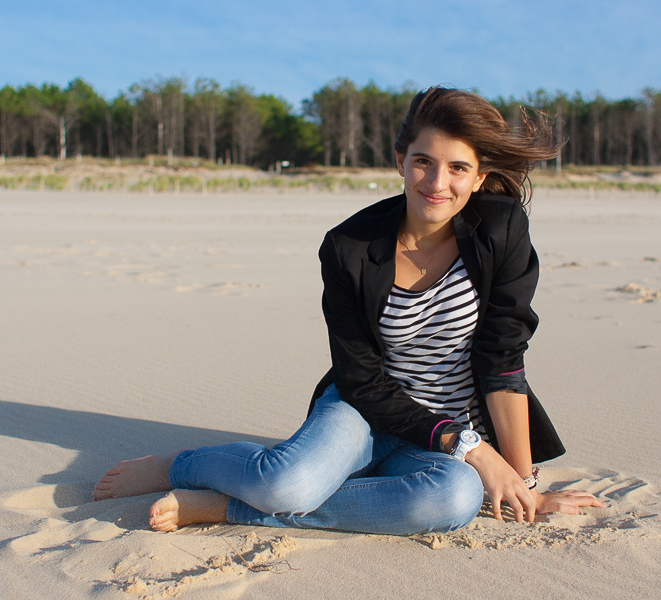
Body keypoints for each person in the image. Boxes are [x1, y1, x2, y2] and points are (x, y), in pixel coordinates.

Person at [93, 86, 603, 535]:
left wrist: (524, 484)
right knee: (287, 485)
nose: (436, 182)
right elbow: (360, 378)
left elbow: (503, 362)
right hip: (365, 410)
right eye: (423, 161)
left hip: (443, 436)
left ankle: (227, 507)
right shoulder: (348, 247)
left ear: (478, 176)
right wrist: (468, 446)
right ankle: (182, 467)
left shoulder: (501, 230)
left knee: (454, 499)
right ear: (400, 160)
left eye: (457, 168)